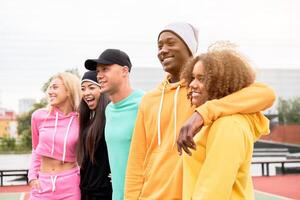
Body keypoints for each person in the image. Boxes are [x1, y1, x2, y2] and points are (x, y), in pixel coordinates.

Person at [125, 22, 275, 199]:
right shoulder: (149, 100)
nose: (163, 50)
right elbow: (136, 160)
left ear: (190, 48)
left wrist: (202, 113)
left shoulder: (204, 94)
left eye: (170, 43)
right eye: (159, 46)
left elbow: (266, 94)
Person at [180, 47, 271, 199]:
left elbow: (212, 192)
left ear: (221, 83)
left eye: (201, 79)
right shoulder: (214, 122)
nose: (192, 84)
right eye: (193, 77)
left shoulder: (228, 125)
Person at [85, 49, 144, 200]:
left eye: (105, 69)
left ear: (124, 71)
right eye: (98, 71)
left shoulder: (145, 104)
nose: (99, 75)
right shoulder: (109, 110)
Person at [28, 72, 81, 200]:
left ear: (69, 90)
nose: (50, 91)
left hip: (70, 185)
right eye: (50, 87)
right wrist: (32, 177)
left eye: (55, 87)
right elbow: (36, 149)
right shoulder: (38, 116)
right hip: (42, 184)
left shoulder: (80, 119)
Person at [77, 70, 112, 199]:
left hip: (105, 192)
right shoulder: (88, 121)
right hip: (86, 192)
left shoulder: (111, 118)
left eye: (91, 87)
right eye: (83, 89)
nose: (86, 93)